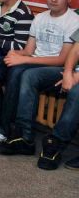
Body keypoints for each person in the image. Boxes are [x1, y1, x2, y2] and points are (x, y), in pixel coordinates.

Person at [0, 0, 79, 150]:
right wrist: (16, 54)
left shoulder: (74, 21)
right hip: (35, 61)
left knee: (23, 72)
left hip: (57, 68)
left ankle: (19, 132)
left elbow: (62, 59)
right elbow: (29, 50)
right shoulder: (40, 18)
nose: (53, 0)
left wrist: (24, 59)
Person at [37, 28, 79, 170]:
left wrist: (77, 77)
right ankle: (22, 137)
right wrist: (68, 73)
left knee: (77, 92)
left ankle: (56, 142)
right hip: (75, 72)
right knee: (30, 76)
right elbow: (75, 50)